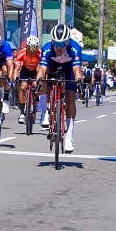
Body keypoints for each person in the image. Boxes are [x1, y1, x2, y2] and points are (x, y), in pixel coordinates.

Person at [36, 23, 83, 153]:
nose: (58, 47)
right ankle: (45, 114)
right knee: (42, 79)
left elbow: (77, 70)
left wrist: (79, 82)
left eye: (62, 44)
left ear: (68, 42)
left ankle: (69, 137)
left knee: (70, 97)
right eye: (56, 43)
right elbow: (42, 69)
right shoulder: (47, 48)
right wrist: (39, 81)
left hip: (69, 69)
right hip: (52, 66)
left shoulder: (75, 48)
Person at [12, 35, 41, 124]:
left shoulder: (40, 53)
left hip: (35, 70)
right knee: (23, 87)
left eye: (34, 48)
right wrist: (15, 79)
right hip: (25, 70)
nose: (32, 50)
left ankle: (36, 99)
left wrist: (38, 80)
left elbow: (40, 69)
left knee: (36, 85)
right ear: (27, 47)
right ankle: (22, 113)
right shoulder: (21, 53)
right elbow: (16, 69)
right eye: (30, 48)